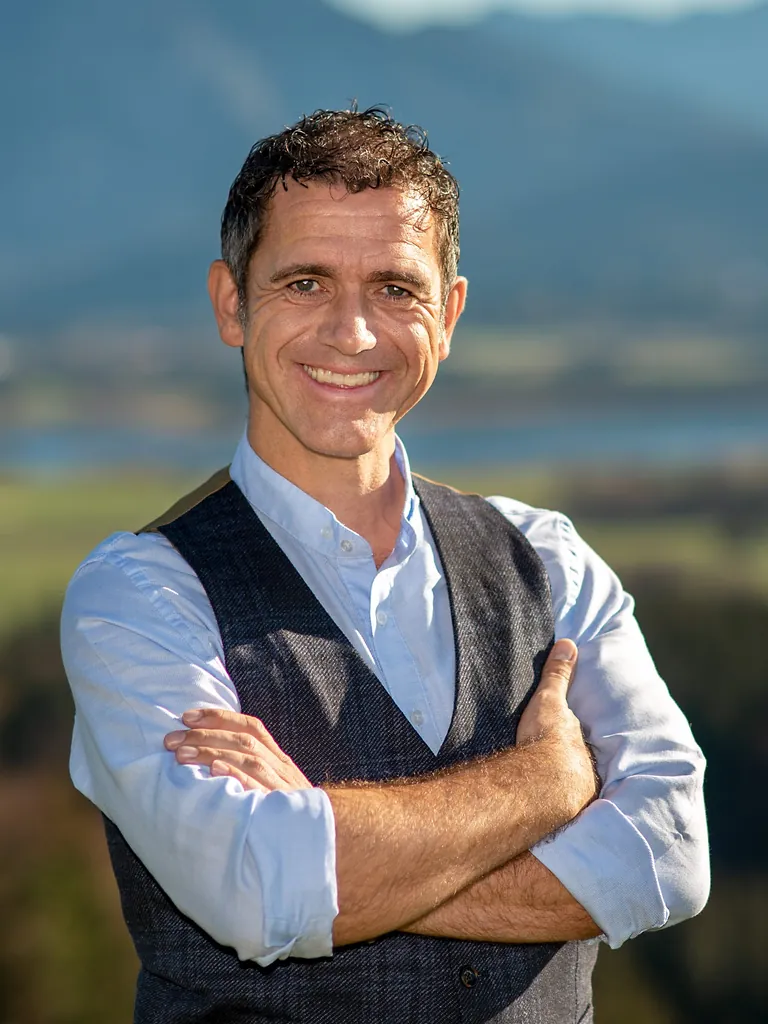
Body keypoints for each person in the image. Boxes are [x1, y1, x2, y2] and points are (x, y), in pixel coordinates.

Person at [61, 107, 709, 1023]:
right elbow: (258, 893)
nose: (353, 332)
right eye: (306, 282)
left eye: (396, 288)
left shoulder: (549, 559)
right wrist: (549, 785)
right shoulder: (139, 594)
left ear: (448, 315)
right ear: (231, 303)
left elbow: (670, 856)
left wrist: (328, 847)